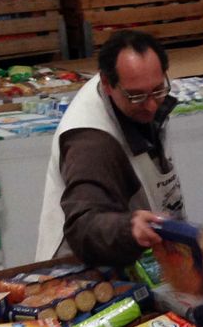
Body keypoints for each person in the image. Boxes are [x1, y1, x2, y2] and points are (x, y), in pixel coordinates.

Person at [35, 29, 186, 266]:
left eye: (158, 90)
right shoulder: (91, 142)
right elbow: (85, 224)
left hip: (136, 257)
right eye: (136, 96)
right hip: (82, 271)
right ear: (107, 83)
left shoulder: (133, 91)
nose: (151, 106)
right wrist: (129, 228)